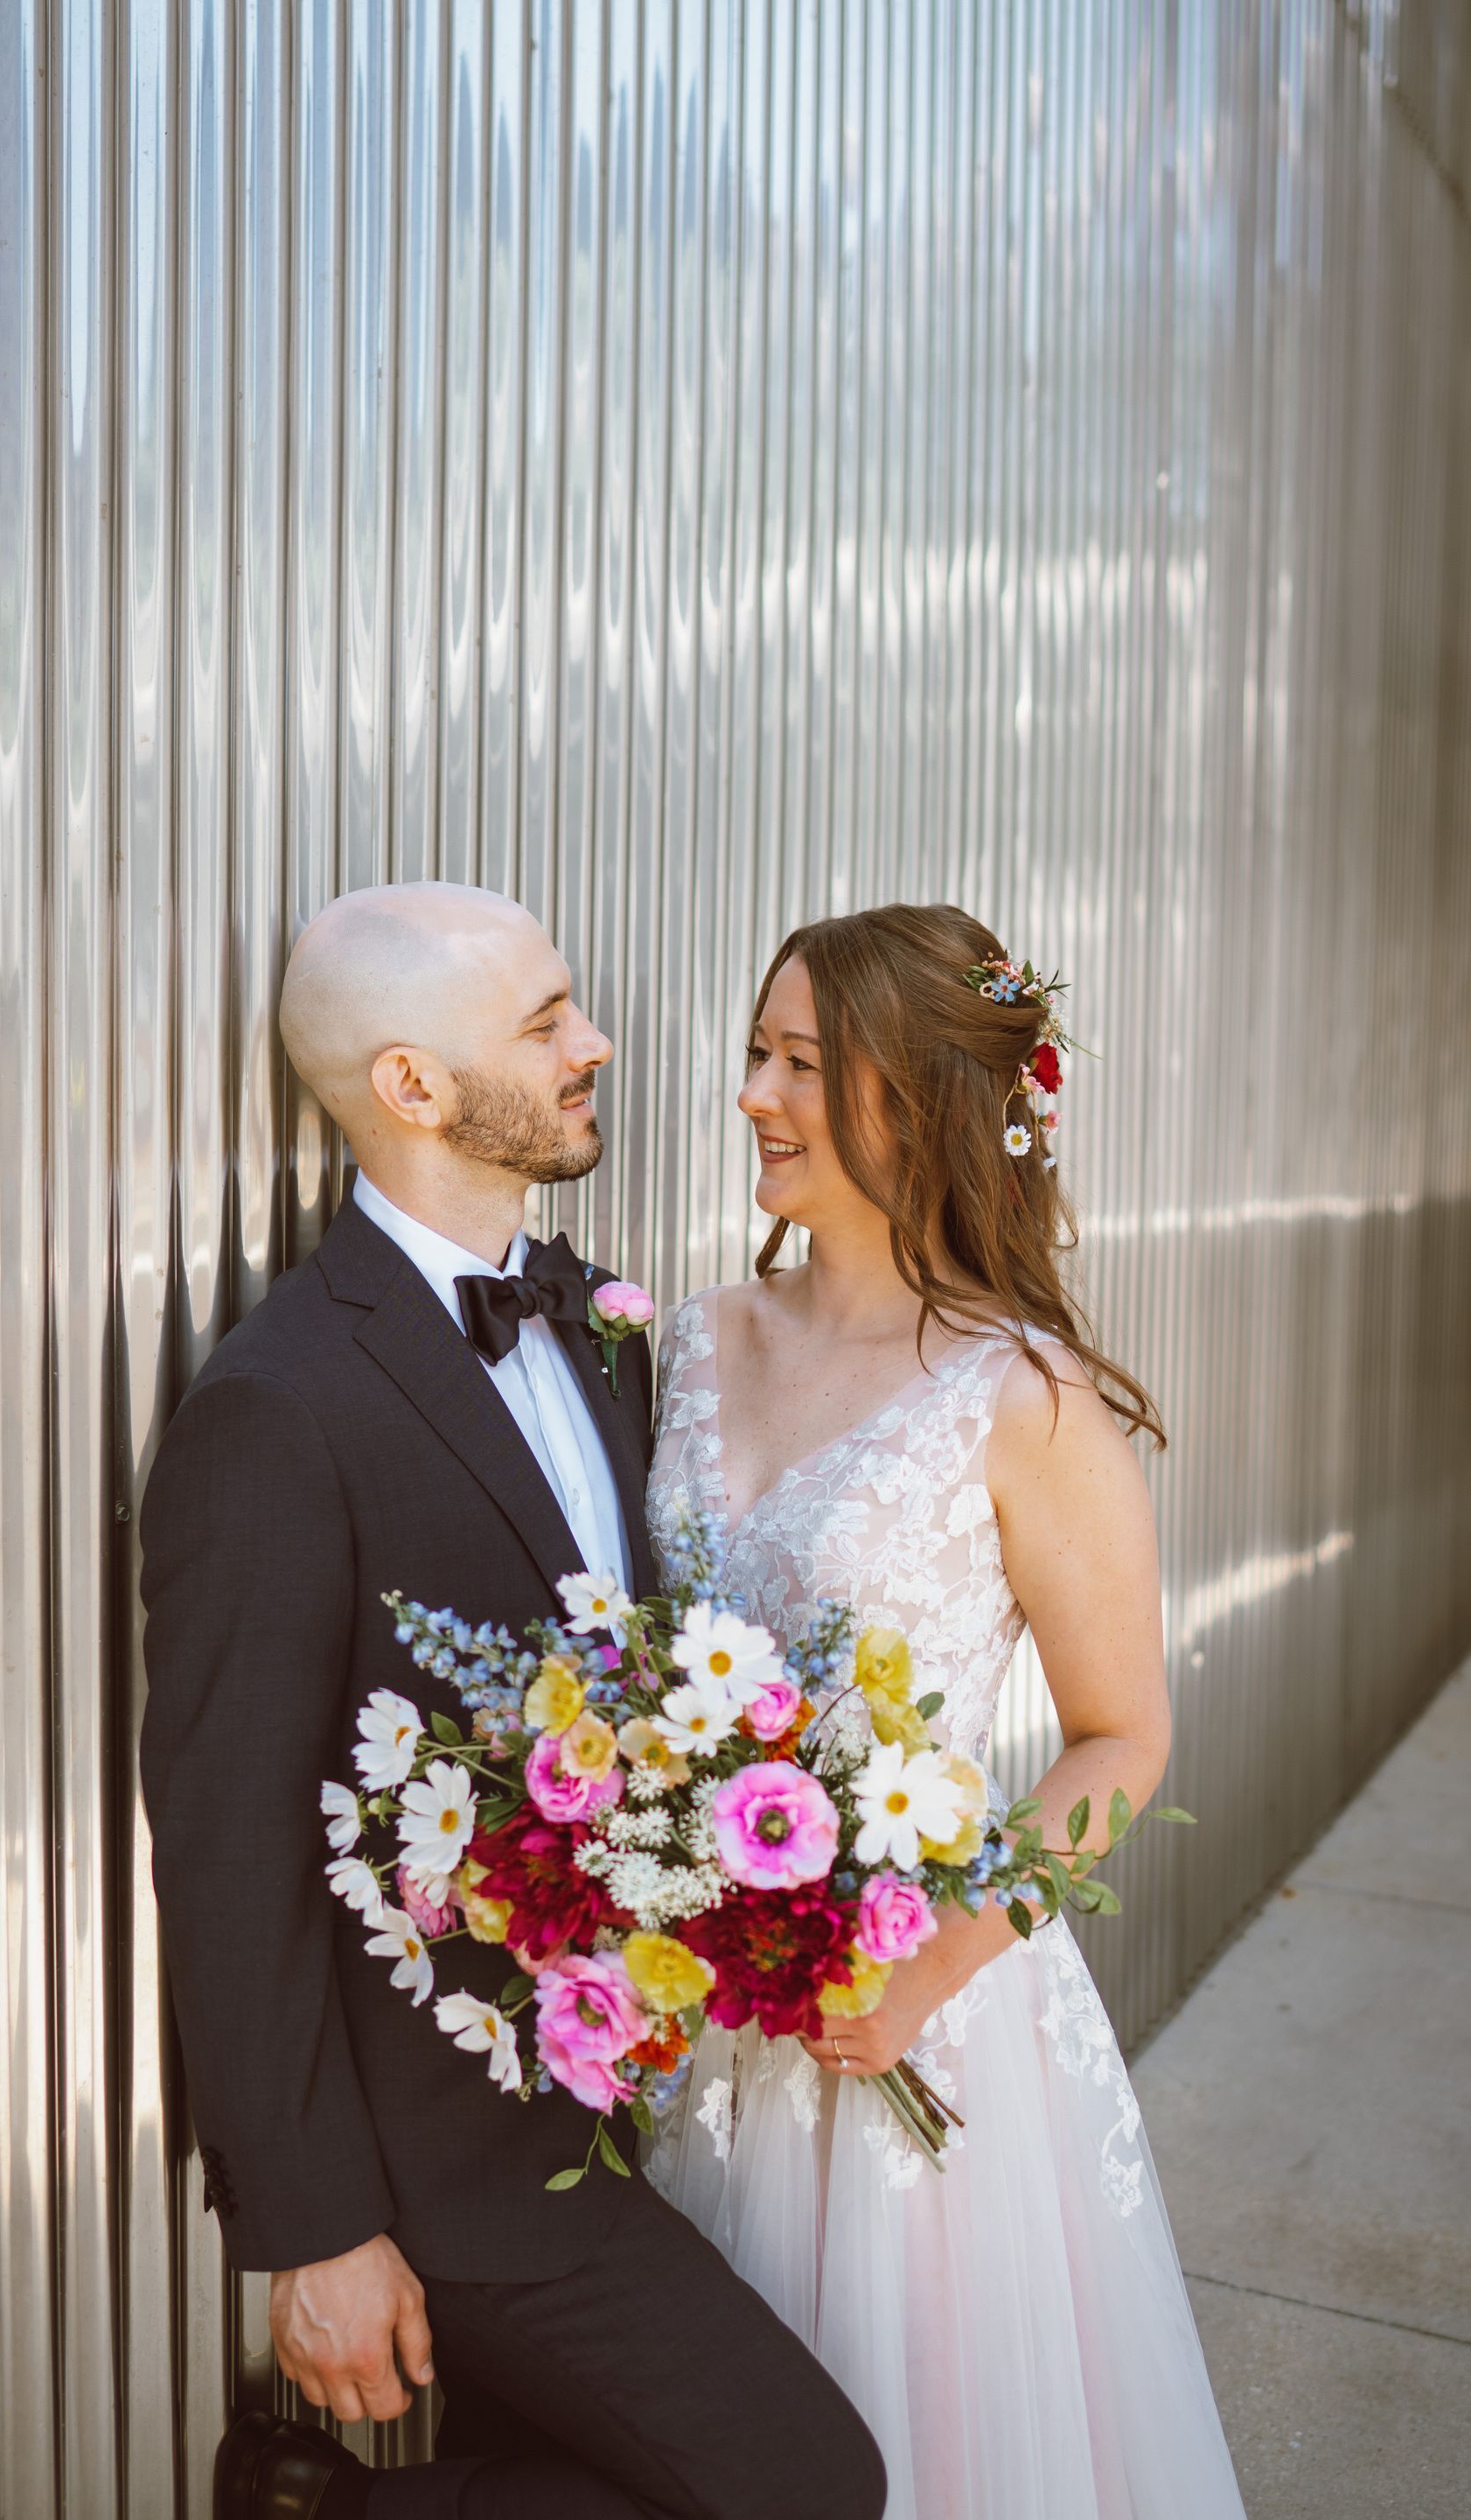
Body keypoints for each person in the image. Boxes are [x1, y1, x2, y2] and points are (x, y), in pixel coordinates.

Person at [138, 882, 888, 2520]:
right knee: (809, 2482)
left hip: (645, 2092)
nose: (596, 1043)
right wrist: (314, 2226)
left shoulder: (609, 1328)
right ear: (412, 1086)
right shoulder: (276, 1406)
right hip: (454, 2162)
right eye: (547, 1022)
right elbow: (227, 1847)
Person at [645, 904, 1246, 2520]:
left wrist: (926, 1970)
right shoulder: (692, 1342)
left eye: (803, 1065)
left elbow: (1126, 1739)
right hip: (693, 1995)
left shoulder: (1024, 1393)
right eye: (757, 1054)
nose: (756, 1095)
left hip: (917, 1998)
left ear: (917, 1100)